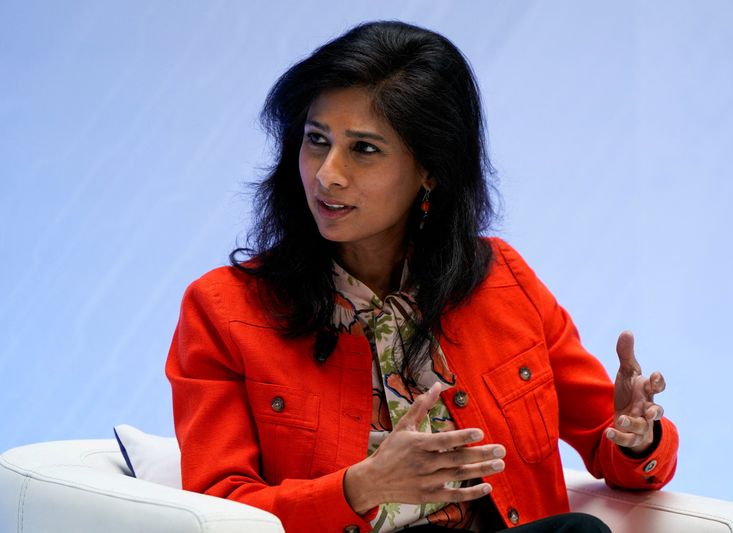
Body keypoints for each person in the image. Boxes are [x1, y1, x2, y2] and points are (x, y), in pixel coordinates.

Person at [166, 20, 678, 533]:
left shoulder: (504, 280)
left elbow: (614, 449)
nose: (327, 174)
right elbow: (218, 509)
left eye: (364, 149)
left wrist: (638, 437)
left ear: (430, 168)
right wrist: (362, 486)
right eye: (316, 140)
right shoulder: (222, 309)